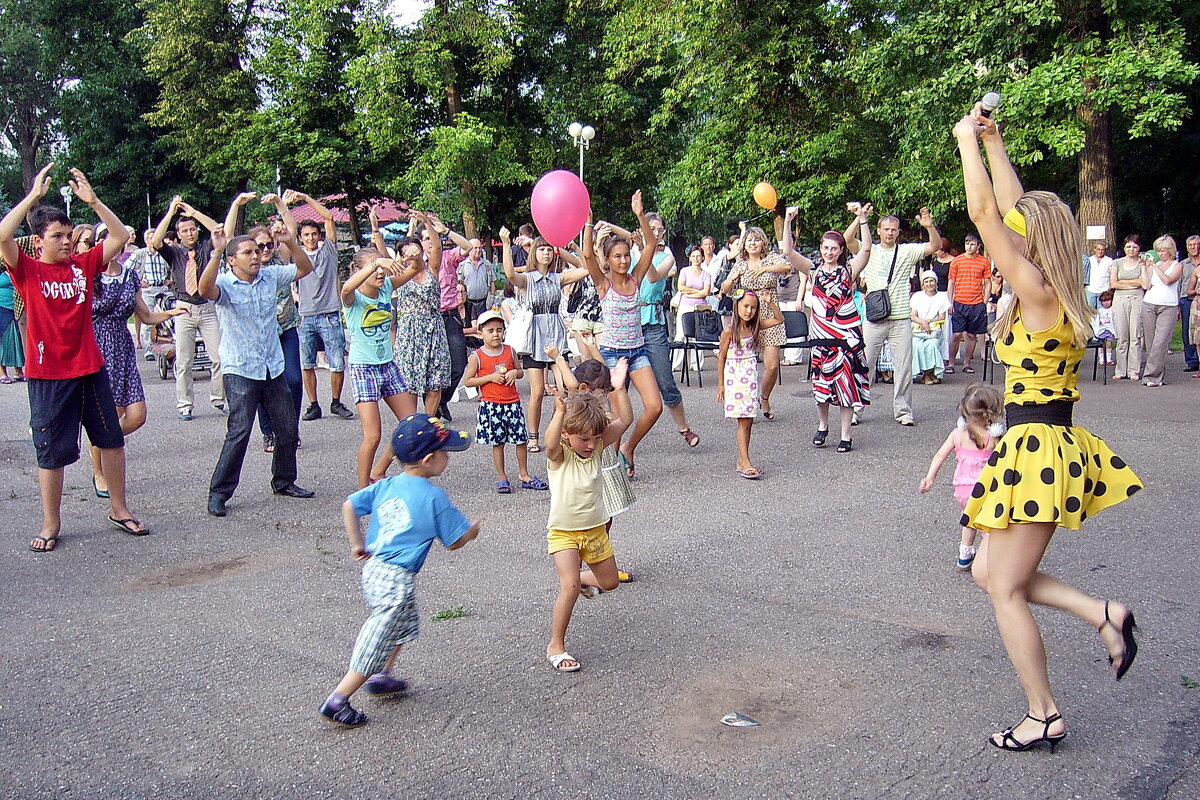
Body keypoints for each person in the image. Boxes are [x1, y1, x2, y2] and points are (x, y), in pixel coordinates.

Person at [953, 103, 1143, 751]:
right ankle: (1102, 613)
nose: (1008, 233)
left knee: (1002, 587)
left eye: (1018, 232)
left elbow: (985, 214)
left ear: (1034, 242)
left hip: (1037, 447)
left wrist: (962, 143)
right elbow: (1007, 207)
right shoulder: (1052, 287)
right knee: (987, 574)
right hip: (1037, 441)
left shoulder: (1034, 289)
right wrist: (993, 141)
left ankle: (1043, 713)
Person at [0, 164, 149, 551]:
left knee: (112, 440)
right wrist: (33, 197)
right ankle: (51, 524)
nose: (67, 242)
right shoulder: (27, 270)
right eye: (58, 237)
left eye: (69, 235)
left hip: (90, 370)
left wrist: (94, 201)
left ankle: (119, 508)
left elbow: (119, 235)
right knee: (52, 452)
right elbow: (2, 236)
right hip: (48, 375)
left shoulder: (83, 266)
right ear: (38, 242)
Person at [319, 413, 479, 728]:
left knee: (402, 623)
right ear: (430, 459)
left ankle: (382, 677)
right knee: (377, 637)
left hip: (376, 570)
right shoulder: (434, 497)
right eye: (446, 453)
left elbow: (349, 505)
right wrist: (472, 531)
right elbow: (455, 542)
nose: (448, 458)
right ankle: (338, 700)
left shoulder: (386, 485)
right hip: (396, 578)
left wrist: (357, 543)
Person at [201, 226, 316, 517]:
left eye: (257, 251)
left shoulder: (270, 276)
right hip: (240, 368)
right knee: (239, 432)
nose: (256, 256)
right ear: (232, 260)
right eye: (248, 252)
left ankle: (284, 481)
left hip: (271, 365)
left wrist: (290, 241)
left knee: (288, 429)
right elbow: (204, 290)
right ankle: (219, 493)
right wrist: (216, 252)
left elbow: (305, 267)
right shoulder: (225, 284)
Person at [544, 361, 634, 673]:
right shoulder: (561, 456)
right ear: (569, 435)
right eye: (584, 439)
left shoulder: (595, 449)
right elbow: (550, 444)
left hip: (596, 532)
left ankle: (582, 579)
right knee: (567, 587)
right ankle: (556, 644)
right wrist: (557, 414)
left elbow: (625, 420)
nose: (592, 445)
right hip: (564, 533)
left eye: (596, 438)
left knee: (610, 584)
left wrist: (618, 389)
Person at [88, 241, 187, 496]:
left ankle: (104, 439)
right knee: (109, 414)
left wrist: (172, 312)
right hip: (98, 348)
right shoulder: (89, 274)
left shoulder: (129, 275)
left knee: (136, 415)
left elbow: (145, 315)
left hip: (123, 348)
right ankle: (100, 473)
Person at [584, 193, 663, 479]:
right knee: (619, 418)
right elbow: (586, 256)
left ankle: (628, 449)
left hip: (637, 352)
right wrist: (589, 225)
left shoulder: (636, 278)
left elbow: (651, 244)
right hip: (613, 355)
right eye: (617, 256)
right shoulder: (604, 285)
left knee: (654, 407)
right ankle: (612, 467)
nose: (623, 260)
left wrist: (640, 215)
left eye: (625, 255)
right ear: (608, 259)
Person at [781, 206, 873, 451]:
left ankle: (846, 434)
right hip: (822, 337)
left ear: (841, 250)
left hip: (845, 337)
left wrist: (862, 219)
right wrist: (788, 221)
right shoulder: (814, 270)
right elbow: (788, 251)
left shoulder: (848, 271)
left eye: (834, 248)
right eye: (825, 248)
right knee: (821, 386)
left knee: (846, 386)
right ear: (820, 249)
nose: (829, 252)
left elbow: (865, 249)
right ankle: (823, 425)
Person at [846, 205, 941, 425]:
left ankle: (903, 411)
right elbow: (847, 239)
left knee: (904, 367)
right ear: (878, 230)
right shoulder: (869, 249)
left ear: (898, 232)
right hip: (875, 317)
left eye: (894, 229)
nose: (890, 233)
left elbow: (935, 245)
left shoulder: (907, 251)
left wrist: (930, 226)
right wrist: (860, 219)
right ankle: (856, 410)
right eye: (886, 229)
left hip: (900, 318)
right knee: (865, 364)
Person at [497, 227, 590, 453]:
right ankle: (533, 436)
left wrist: (567, 249)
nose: (546, 253)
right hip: (535, 337)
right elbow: (510, 274)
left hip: (556, 336)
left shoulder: (558, 278)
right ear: (534, 253)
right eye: (542, 249)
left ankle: (558, 429)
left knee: (565, 387)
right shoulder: (528, 279)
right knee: (537, 391)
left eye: (549, 250)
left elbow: (586, 269)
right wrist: (507, 245)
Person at [341, 248, 419, 489]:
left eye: (383, 269)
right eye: (376, 269)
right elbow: (345, 289)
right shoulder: (353, 298)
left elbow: (415, 269)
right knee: (373, 435)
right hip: (363, 367)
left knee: (412, 423)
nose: (381, 273)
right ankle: (363, 489)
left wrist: (413, 256)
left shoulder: (386, 287)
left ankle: (380, 469)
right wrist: (375, 264)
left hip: (387, 365)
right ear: (359, 270)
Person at [149, 196, 226, 419]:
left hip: (207, 307)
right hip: (184, 307)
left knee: (219, 357)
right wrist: (171, 213)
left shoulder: (205, 248)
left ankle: (219, 399)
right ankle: (185, 403)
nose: (190, 233)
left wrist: (194, 214)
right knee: (184, 360)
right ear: (179, 235)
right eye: (185, 231)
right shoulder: (174, 253)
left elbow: (218, 230)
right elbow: (156, 241)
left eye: (192, 229)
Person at [283, 190, 354, 422]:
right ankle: (313, 404)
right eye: (306, 235)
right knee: (307, 363)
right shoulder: (297, 255)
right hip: (304, 315)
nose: (311, 238)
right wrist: (281, 205)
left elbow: (329, 218)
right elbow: (285, 232)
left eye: (314, 234)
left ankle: (335, 401)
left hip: (329, 314)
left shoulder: (328, 251)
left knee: (336, 362)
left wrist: (305, 198)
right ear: (301, 238)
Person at [918, 383, 1004, 569]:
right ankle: (991, 560)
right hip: (985, 490)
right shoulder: (993, 438)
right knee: (988, 525)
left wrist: (930, 477)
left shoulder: (957, 434)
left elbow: (940, 454)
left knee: (969, 518)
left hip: (962, 490)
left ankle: (965, 553)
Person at [463, 310, 547, 493]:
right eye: (491, 330)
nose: (496, 334)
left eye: (499, 330)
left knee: (520, 440)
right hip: (491, 405)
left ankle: (524, 474)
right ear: (481, 333)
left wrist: (514, 373)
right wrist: (490, 378)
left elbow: (520, 371)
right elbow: (468, 381)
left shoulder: (510, 351)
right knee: (498, 443)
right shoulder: (476, 356)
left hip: (512, 402)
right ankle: (502, 477)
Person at [720, 225, 790, 419]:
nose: (752, 243)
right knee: (741, 362)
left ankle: (764, 398)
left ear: (763, 242)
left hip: (769, 310)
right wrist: (732, 279)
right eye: (749, 240)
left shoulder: (770, 258)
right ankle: (743, 401)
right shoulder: (741, 263)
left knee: (773, 365)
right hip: (747, 313)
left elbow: (787, 267)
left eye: (756, 239)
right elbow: (726, 288)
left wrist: (764, 269)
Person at [717, 291, 784, 477]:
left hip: (749, 374)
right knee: (743, 419)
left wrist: (770, 303)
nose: (749, 311)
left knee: (749, 419)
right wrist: (721, 385)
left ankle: (742, 459)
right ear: (737, 306)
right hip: (735, 376)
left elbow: (779, 319)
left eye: (753, 308)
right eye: (745, 306)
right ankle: (745, 460)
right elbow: (721, 357)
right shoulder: (729, 331)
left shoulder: (755, 327)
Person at [1138, 235, 1182, 387]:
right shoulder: (1152, 265)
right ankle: (1157, 376)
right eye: (1158, 250)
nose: (1160, 253)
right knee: (1150, 343)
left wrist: (1155, 266)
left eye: (1163, 250)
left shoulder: (1177, 265)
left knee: (1160, 342)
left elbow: (1168, 280)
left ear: (1170, 251)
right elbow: (1145, 285)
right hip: (1149, 304)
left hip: (1168, 306)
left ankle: (1150, 376)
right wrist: (1144, 266)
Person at [946, 234, 992, 374]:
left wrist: (984, 302)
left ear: (978, 246)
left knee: (971, 335)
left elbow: (988, 283)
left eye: (972, 244)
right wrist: (950, 302)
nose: (969, 246)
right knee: (956, 334)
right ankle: (951, 362)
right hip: (959, 302)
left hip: (976, 303)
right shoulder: (957, 261)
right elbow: (951, 283)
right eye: (967, 243)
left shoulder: (984, 262)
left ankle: (967, 363)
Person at [126, 228, 172, 355]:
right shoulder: (139, 254)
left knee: (169, 317)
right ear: (146, 240)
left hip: (163, 288)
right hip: (148, 289)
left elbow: (174, 266)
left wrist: (170, 279)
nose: (154, 240)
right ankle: (148, 349)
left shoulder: (163, 253)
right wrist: (138, 282)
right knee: (147, 318)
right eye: (151, 237)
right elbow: (126, 269)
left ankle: (170, 344)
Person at [1107, 235, 1146, 381]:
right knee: (1122, 336)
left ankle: (1133, 371)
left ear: (1139, 248)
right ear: (1124, 247)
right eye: (1129, 246)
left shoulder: (1142, 264)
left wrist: (1125, 282)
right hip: (1120, 300)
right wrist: (1133, 282)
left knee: (1135, 335)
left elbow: (1143, 283)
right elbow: (1114, 284)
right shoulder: (1117, 263)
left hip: (1137, 299)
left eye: (1135, 247)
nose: (1131, 249)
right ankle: (1120, 370)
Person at [672, 246, 713, 372]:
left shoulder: (706, 274)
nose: (696, 258)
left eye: (698, 256)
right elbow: (681, 287)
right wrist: (697, 291)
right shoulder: (684, 271)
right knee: (681, 334)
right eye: (693, 256)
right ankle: (676, 364)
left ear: (702, 257)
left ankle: (696, 364)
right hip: (685, 305)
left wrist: (692, 293)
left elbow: (705, 292)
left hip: (700, 306)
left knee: (698, 334)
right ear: (689, 257)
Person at [911, 270, 951, 384]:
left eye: (931, 281)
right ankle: (925, 375)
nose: (929, 284)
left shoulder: (941, 297)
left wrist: (929, 322)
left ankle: (928, 375)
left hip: (934, 331)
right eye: (926, 281)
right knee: (917, 346)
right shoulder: (917, 296)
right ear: (923, 284)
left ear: (936, 282)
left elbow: (942, 317)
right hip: (918, 331)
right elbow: (913, 316)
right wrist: (923, 323)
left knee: (932, 346)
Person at [457, 238, 493, 323]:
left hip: (484, 303)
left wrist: (492, 298)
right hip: (468, 303)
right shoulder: (462, 265)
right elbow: (459, 284)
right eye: (475, 248)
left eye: (480, 248)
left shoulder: (487, 265)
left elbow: (492, 282)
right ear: (469, 249)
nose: (478, 250)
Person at [0, 267, 25, 383]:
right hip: (1, 306)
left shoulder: (15, 269)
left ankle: (18, 371)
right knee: (3, 339)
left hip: (16, 306)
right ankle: (2, 372)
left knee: (16, 339)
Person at [1180, 235, 1200, 373]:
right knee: (1188, 332)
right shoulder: (1182, 264)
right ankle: (1192, 361)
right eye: (1191, 245)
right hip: (1186, 300)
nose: (1194, 247)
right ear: (1187, 247)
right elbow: (1178, 285)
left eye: (1197, 244)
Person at [1085, 242, 1112, 309]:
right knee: (1090, 313)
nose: (1100, 251)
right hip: (1091, 290)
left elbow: (1112, 274)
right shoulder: (1089, 260)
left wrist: (1109, 288)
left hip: (1104, 290)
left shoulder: (1109, 260)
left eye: (1102, 249)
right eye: (1098, 249)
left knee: (1103, 312)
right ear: (1095, 249)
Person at [1092, 290, 1116, 365]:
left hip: (1110, 329)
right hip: (1102, 330)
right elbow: (1095, 321)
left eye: (1108, 300)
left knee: (1109, 344)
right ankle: (1101, 359)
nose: (1106, 303)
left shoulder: (1113, 310)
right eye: (1104, 301)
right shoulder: (1099, 311)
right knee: (1101, 345)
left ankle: (1108, 359)